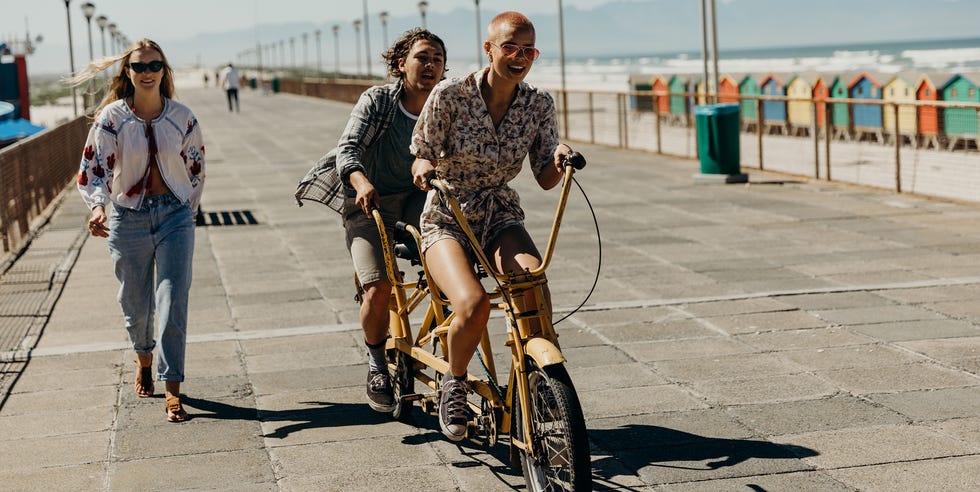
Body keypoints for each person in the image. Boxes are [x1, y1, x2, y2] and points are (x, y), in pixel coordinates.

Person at [410, 11, 573, 441]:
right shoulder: (450, 94)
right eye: (510, 48)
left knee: (532, 281)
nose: (520, 57)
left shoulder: (538, 104)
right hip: (448, 213)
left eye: (529, 50)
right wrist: (425, 166)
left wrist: (559, 157)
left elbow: (543, 175)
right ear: (489, 49)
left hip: (499, 211)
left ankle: (538, 382)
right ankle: (455, 383)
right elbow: (421, 152)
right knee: (474, 303)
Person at [73, 39, 205, 423]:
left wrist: (188, 211)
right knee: (134, 303)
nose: (147, 72)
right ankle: (144, 359)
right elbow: (93, 169)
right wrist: (98, 208)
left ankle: (172, 388)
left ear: (164, 71)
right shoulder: (111, 119)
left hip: (174, 217)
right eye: (139, 66)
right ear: (127, 73)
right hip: (127, 218)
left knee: (172, 301)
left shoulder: (183, 117)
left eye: (154, 65)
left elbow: (195, 169)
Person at [336, 29, 447, 413]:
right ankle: (376, 362)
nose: (430, 64)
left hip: (420, 198)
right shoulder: (380, 101)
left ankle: (453, 363)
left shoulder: (446, 105)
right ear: (402, 65)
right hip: (369, 201)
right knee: (379, 287)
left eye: (437, 58)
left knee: (452, 269)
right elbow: (347, 148)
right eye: (422, 57)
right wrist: (361, 180)